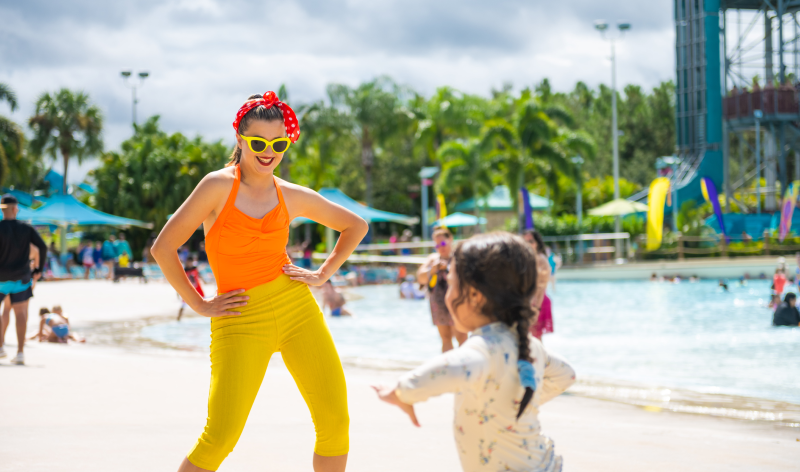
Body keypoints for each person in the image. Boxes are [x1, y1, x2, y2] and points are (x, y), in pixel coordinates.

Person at [151, 91, 367, 472]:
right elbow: (163, 248)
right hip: (239, 318)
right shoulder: (217, 187)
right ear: (240, 138)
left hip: (297, 309)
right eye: (258, 143)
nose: (268, 152)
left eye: (278, 144)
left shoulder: (290, 195)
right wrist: (199, 303)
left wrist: (322, 275)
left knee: (335, 423)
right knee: (219, 438)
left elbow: (355, 225)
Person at [373, 232, 576, 472]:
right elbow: (567, 375)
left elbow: (449, 369)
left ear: (475, 296)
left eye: (451, 284)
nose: (447, 294)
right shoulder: (529, 345)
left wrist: (402, 392)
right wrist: (518, 402)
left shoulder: (483, 348)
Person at [0, 195, 47, 364]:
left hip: (1, 278)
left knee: (3, 312)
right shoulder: (26, 228)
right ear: (15, 209)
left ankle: (0, 347)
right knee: (21, 313)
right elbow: (42, 246)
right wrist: (38, 270)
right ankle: (20, 353)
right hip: (21, 278)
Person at [417, 226, 467, 352]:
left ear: (450, 239)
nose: (441, 247)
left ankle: (464, 363)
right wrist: (432, 270)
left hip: (457, 301)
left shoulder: (458, 257)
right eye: (437, 245)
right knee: (445, 338)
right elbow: (420, 278)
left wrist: (449, 268)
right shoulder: (433, 259)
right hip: (438, 303)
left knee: (462, 337)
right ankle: (448, 363)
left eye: (443, 243)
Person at [524, 230, 553, 340]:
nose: (528, 245)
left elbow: (541, 287)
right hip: (529, 303)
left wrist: (536, 308)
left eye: (531, 241)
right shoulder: (527, 259)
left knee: (536, 339)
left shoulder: (540, 260)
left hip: (537, 303)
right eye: (525, 242)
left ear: (537, 243)